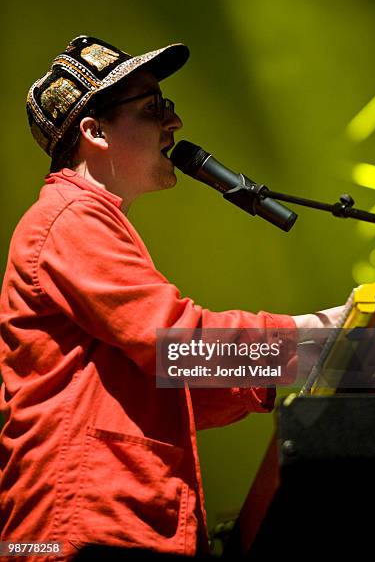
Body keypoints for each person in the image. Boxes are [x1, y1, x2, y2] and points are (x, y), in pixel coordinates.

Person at [0, 36, 343, 561]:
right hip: (82, 532)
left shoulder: (84, 222)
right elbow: (179, 346)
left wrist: (326, 363)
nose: (174, 122)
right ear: (93, 131)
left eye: (169, 106)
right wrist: (327, 337)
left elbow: (166, 390)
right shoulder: (70, 218)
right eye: (153, 108)